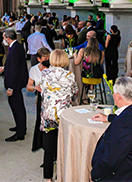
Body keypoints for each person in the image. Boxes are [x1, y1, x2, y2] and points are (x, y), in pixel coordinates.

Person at [40, 49, 78, 182]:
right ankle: (62, 175)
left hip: (49, 114)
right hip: (64, 115)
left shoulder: (44, 73)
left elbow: (42, 92)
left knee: (49, 148)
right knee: (63, 146)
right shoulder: (69, 75)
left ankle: (48, 177)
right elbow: (74, 92)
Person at [0, 29, 29, 141]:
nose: (3, 40)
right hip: (16, 82)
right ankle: (20, 126)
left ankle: (20, 133)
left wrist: (11, 87)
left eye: (4, 37)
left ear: (8, 38)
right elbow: (13, 64)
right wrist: (5, 68)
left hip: (15, 83)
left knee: (17, 107)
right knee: (17, 106)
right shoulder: (16, 46)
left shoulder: (15, 48)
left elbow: (15, 69)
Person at [27, 47, 51, 153]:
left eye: (48, 58)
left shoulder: (53, 68)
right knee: (40, 120)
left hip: (52, 98)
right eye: (45, 58)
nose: (47, 60)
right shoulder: (34, 70)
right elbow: (28, 86)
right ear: (39, 59)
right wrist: (35, 88)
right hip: (41, 98)